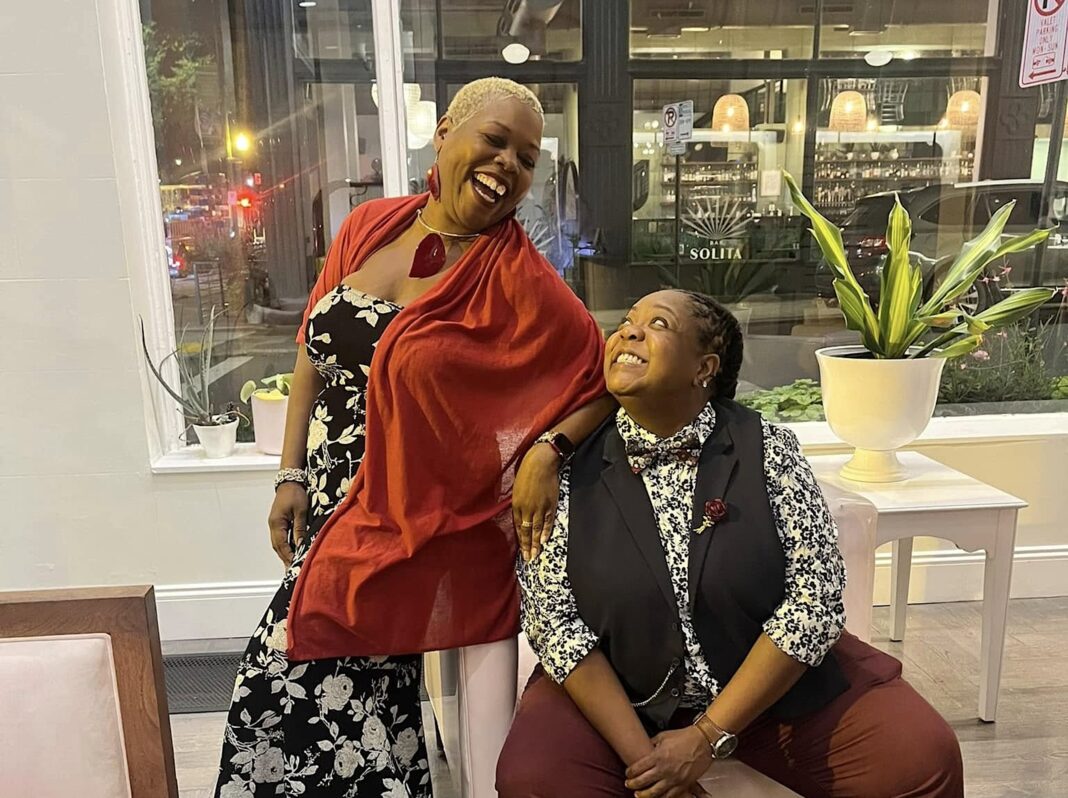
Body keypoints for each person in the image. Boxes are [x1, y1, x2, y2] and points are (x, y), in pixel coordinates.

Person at [214, 77, 612, 798]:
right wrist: (290, 474)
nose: (508, 165)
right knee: (355, 698)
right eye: (495, 140)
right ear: (445, 133)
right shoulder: (370, 226)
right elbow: (312, 348)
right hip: (329, 501)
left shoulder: (519, 278)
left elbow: (603, 377)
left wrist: (548, 450)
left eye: (526, 159)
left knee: (297, 677)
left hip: (405, 519)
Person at [497, 290, 965, 798]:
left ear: (704, 368)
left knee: (922, 756)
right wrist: (650, 766)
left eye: (658, 324)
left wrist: (705, 738)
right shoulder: (562, 473)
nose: (629, 331)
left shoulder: (768, 449)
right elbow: (555, 623)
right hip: (621, 694)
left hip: (766, 693)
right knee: (534, 781)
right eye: (627, 320)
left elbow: (815, 600)